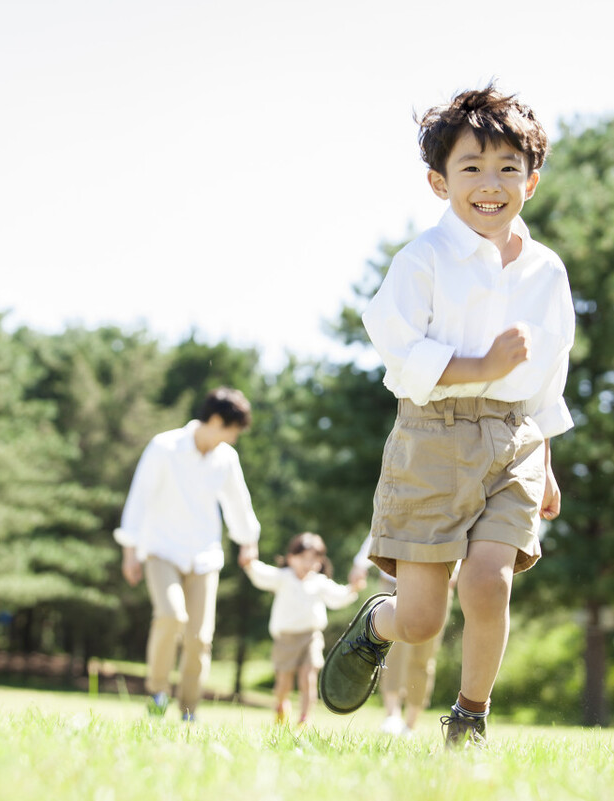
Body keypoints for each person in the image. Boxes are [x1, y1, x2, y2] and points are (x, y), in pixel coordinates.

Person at [318, 83, 575, 748]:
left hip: (515, 438)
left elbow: (549, 377)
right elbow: (399, 357)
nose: (490, 184)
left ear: (532, 181)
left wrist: (544, 461)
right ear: (439, 182)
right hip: (431, 435)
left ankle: (469, 716)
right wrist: (480, 365)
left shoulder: (547, 272)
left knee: (489, 582)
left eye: (507, 169)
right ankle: (380, 622)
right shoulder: (422, 260)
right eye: (471, 168)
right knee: (424, 618)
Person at [116, 387, 261, 722]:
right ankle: (157, 692)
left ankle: (188, 711)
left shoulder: (225, 458)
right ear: (214, 420)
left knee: (200, 638)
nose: (234, 439)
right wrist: (130, 550)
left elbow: (238, 502)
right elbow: (139, 497)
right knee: (170, 616)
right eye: (231, 431)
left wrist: (247, 540)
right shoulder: (165, 447)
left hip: (204, 556)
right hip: (161, 550)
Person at [244, 532, 365, 726]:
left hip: (311, 636)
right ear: (291, 558)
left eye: (313, 559)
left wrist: (353, 589)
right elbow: (263, 574)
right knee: (284, 681)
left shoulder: (318, 582)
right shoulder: (283, 577)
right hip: (286, 638)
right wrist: (250, 565)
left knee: (308, 677)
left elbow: (337, 596)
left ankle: (305, 718)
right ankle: (281, 705)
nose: (307, 563)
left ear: (320, 562)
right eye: (303, 558)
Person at [348, 532, 456, 736]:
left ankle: (411, 724)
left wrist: (456, 571)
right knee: (392, 649)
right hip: (394, 578)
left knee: (424, 655)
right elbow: (383, 521)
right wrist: (360, 563)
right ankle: (392, 716)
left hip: (438, 580)